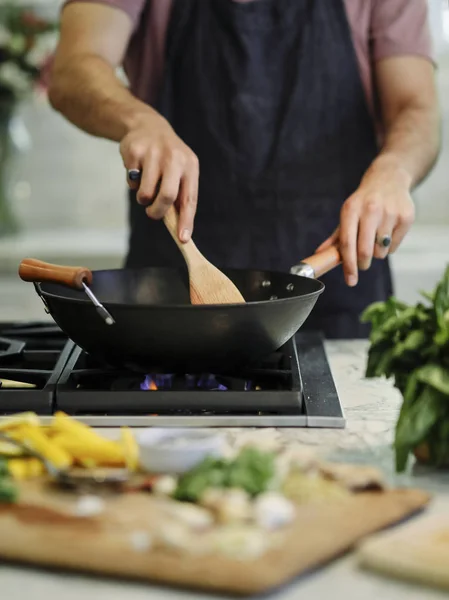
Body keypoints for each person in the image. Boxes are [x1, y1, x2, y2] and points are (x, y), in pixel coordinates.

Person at [48, 0, 440, 338]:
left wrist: (394, 171)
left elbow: (416, 108)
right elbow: (74, 68)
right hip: (169, 308)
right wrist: (138, 121)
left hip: (342, 303)